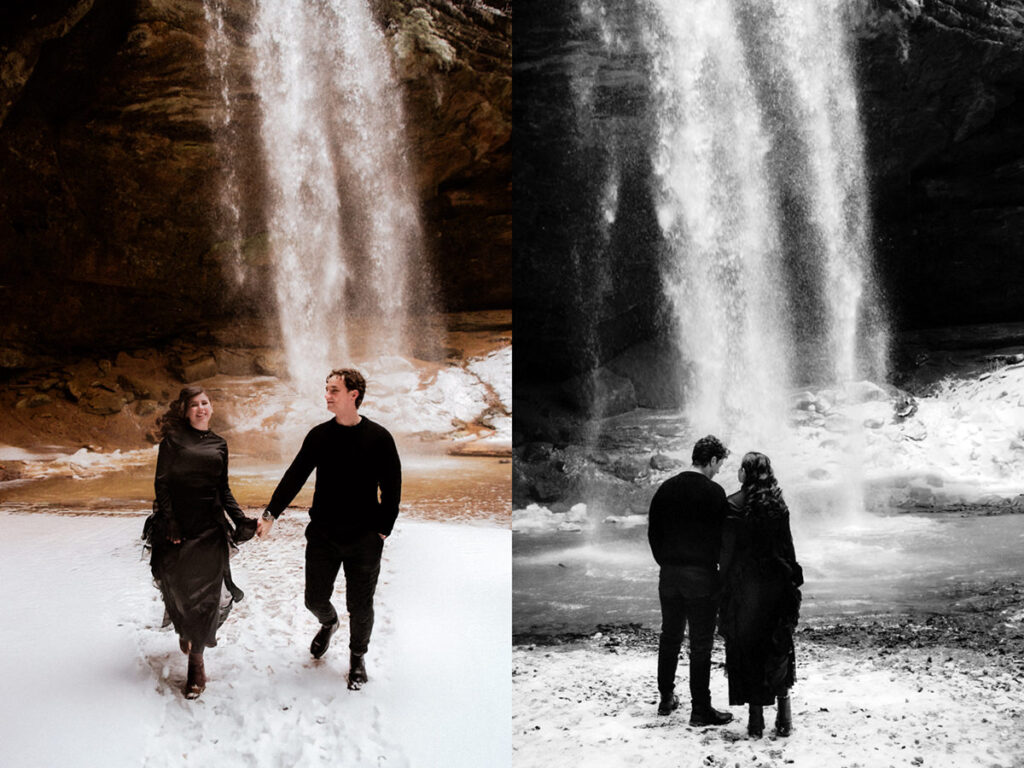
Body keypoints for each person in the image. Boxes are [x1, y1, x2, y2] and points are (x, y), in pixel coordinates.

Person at [257, 368, 401, 690]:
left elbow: (392, 489)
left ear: (354, 395)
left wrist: (383, 530)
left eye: (334, 390)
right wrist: (270, 514)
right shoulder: (319, 436)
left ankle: (357, 657)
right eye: (326, 389)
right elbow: (295, 476)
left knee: (361, 605)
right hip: (323, 534)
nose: (327, 395)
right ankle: (329, 623)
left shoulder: (379, 438)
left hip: (364, 537)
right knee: (314, 598)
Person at [148, 385, 257, 699]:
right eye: (194, 404)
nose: (201, 408)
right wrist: (170, 520)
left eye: (205, 403)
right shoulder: (172, 442)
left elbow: (223, 490)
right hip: (177, 529)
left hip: (210, 530)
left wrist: (241, 520)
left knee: (207, 598)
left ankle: (196, 664)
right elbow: (162, 484)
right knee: (179, 591)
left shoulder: (220, 445)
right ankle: (186, 631)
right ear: (185, 410)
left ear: (211, 408)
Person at [647, 434, 734, 727]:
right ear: (710, 461)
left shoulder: (666, 489)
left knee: (669, 636)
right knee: (700, 644)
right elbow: (724, 539)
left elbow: (653, 534)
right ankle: (700, 709)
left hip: (669, 574)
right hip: (701, 576)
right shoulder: (714, 493)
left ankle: (666, 698)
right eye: (719, 464)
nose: (718, 470)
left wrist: (667, 562)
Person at [719, 451, 803, 738]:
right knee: (778, 648)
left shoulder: (732, 505)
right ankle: (785, 716)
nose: (738, 472)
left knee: (749, 650)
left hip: (745, 591)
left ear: (746, 473)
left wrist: (722, 588)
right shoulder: (779, 505)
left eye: (741, 468)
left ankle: (755, 721)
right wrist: (793, 580)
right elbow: (788, 549)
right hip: (776, 588)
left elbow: (727, 555)